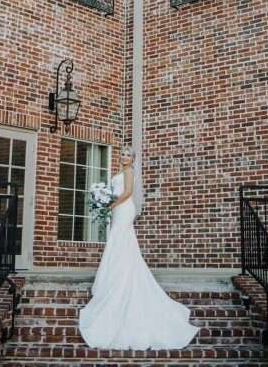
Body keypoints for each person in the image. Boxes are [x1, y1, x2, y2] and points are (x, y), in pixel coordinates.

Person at [78, 144, 199, 349]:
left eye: (128, 155)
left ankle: (121, 279)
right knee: (120, 244)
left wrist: (109, 204)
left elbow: (126, 193)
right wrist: (106, 200)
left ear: (133, 159)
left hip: (123, 209)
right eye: (123, 154)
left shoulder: (129, 171)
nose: (125, 157)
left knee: (120, 240)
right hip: (119, 210)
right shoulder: (120, 171)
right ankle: (117, 277)